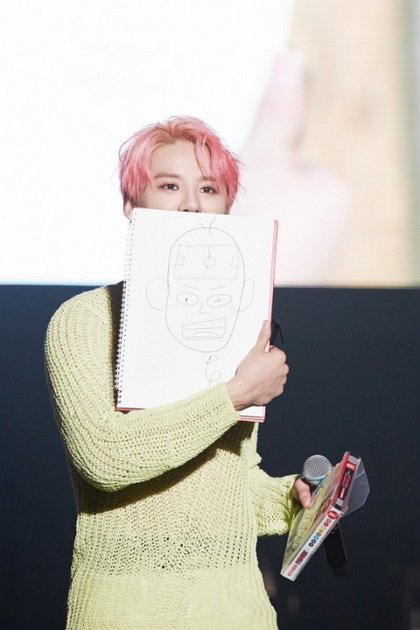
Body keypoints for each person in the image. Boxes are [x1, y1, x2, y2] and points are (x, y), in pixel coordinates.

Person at [45, 116, 310, 629]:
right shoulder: (84, 320)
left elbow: (226, 484)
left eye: (208, 189)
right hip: (125, 610)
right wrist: (235, 394)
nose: (192, 204)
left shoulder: (238, 328)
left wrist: (292, 497)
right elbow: (105, 458)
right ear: (132, 205)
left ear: (227, 208)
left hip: (236, 610)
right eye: (169, 186)